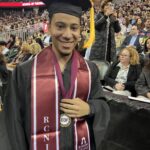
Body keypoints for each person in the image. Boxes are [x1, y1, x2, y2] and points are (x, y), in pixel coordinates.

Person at [4, 0, 110, 150]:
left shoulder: (90, 70)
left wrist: (90, 108)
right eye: (60, 26)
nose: (68, 35)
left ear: (80, 31)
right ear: (49, 28)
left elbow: (102, 105)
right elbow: (12, 126)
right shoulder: (24, 72)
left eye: (74, 28)